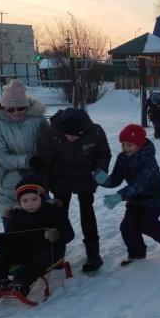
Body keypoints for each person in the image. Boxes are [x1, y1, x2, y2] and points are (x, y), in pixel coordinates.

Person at [0, 177, 74, 296]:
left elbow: (69, 235)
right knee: (0, 253)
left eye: (34, 199)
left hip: (50, 251)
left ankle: (21, 282)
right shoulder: (16, 215)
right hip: (24, 250)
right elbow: (12, 237)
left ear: (41, 197)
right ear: (19, 201)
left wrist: (56, 235)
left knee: (41, 257)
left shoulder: (54, 212)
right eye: (25, 201)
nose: (30, 204)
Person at [96, 124, 160, 265]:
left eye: (129, 145)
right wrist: (103, 180)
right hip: (135, 198)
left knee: (146, 223)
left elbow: (141, 183)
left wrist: (121, 195)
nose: (125, 148)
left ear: (139, 144)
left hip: (154, 196)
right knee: (127, 226)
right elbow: (116, 179)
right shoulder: (122, 158)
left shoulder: (149, 160)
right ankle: (137, 254)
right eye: (123, 145)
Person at [44, 107, 112, 273]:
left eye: (74, 136)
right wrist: (44, 183)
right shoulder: (53, 133)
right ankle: (57, 255)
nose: (70, 138)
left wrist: (99, 172)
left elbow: (104, 154)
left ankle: (93, 254)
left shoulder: (95, 131)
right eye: (67, 135)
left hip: (85, 177)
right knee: (59, 215)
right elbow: (46, 158)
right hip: (60, 178)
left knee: (87, 213)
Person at [0, 79, 50, 217]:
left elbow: (49, 146)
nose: (16, 112)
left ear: (27, 106)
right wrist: (27, 160)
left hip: (37, 181)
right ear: (4, 108)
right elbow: (0, 156)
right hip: (8, 183)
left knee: (39, 223)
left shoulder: (39, 121)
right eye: (10, 109)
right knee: (13, 225)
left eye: (21, 108)